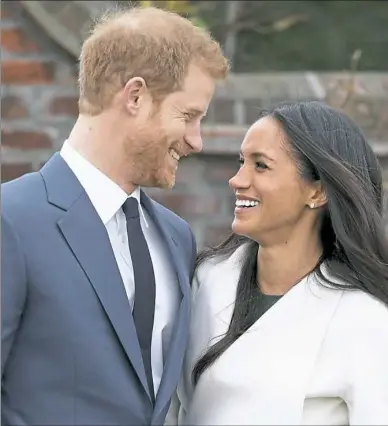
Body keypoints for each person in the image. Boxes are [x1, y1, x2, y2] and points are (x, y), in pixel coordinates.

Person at [1, 5, 229, 426]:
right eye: (188, 116)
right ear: (136, 96)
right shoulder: (10, 221)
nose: (196, 141)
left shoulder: (176, 237)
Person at [171, 101, 388, 425]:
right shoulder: (206, 282)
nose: (237, 179)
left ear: (317, 191)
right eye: (242, 161)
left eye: (261, 166)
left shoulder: (365, 320)